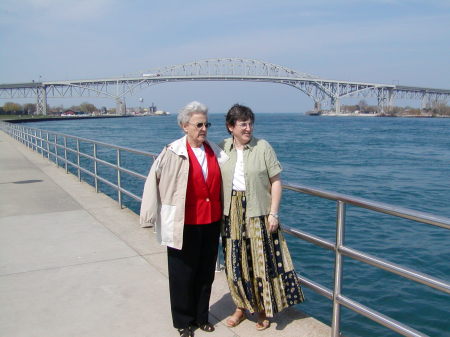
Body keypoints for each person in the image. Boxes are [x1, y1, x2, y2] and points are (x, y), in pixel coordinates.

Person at [140, 101, 228, 337]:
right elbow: (153, 183)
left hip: (210, 220)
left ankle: (201, 317)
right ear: (184, 126)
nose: (204, 129)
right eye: (198, 124)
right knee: (182, 274)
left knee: (205, 272)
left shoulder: (215, 151)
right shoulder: (172, 152)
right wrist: (148, 215)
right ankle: (183, 321)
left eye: (206, 124)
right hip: (183, 222)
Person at [219, 104, 305, 331]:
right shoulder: (222, 148)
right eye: (243, 124)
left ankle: (263, 309)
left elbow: (276, 181)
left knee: (260, 264)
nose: (248, 128)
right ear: (231, 127)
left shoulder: (263, 146)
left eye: (250, 123)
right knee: (234, 263)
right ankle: (239, 307)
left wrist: (273, 213)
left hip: (258, 211)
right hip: (230, 211)